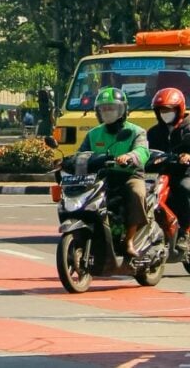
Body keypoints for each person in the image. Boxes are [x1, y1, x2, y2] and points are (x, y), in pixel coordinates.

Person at [78, 87, 150, 257]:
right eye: (104, 109)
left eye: (112, 108)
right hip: (103, 177)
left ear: (123, 109)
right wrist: (66, 161)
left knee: (136, 192)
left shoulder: (136, 131)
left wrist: (129, 156)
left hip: (129, 175)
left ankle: (130, 240)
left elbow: (143, 151)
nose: (107, 112)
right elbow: (82, 154)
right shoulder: (93, 134)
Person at [146, 87, 190, 250]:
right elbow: (144, 151)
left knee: (184, 189)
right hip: (160, 174)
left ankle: (186, 232)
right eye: (162, 110)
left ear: (179, 109)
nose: (165, 113)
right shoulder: (153, 133)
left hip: (184, 173)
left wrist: (187, 156)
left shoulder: (188, 128)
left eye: (169, 110)